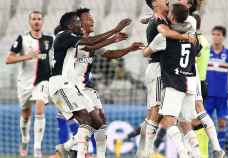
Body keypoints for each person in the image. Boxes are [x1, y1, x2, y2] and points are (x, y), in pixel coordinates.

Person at [49, 11, 129, 158]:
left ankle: (68, 148)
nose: (80, 25)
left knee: (98, 123)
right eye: (77, 22)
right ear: (69, 25)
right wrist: (114, 31)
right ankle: (75, 152)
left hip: (70, 86)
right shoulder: (64, 36)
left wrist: (114, 39)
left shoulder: (69, 39)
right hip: (61, 85)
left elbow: (90, 46)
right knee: (86, 120)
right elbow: (90, 43)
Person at [144, 4, 202, 158]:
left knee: (166, 119)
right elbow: (198, 52)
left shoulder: (164, 35)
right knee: (184, 122)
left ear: (173, 18)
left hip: (172, 80)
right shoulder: (191, 34)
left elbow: (147, 52)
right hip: (188, 81)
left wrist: (146, 48)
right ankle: (196, 153)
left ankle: (181, 153)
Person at [5, 11, 53, 158]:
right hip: (25, 83)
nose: (36, 21)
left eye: (39, 19)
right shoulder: (22, 39)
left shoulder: (49, 39)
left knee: (40, 108)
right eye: (34, 19)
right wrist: (28, 56)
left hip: (43, 80)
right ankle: (25, 139)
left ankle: (37, 148)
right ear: (29, 22)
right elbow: (8, 59)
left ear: (42, 22)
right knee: (26, 115)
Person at [205, 26, 228, 151]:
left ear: (223, 37)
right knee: (203, 123)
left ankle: (220, 151)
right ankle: (202, 149)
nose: (215, 36)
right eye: (213, 34)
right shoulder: (205, 51)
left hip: (222, 95)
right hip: (207, 95)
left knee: (222, 123)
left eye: (218, 34)